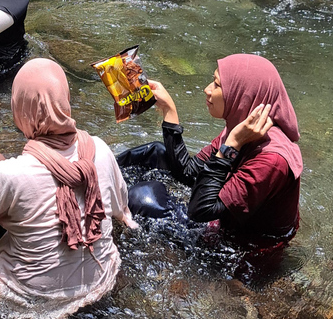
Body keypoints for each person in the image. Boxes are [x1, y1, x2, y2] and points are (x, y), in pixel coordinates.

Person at [0, 58, 137, 319]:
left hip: (31, 302)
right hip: (101, 285)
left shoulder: (12, 174)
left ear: (21, 109)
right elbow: (120, 208)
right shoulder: (100, 148)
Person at [116, 54, 303, 248]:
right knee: (153, 153)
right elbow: (189, 171)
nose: (207, 89)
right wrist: (169, 111)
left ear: (243, 95)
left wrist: (231, 146)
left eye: (216, 84)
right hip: (218, 215)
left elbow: (199, 211)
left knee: (142, 196)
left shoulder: (271, 160)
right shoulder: (241, 127)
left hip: (239, 247)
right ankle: (99, 182)